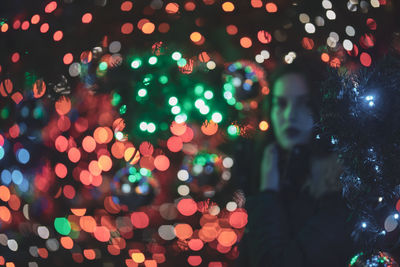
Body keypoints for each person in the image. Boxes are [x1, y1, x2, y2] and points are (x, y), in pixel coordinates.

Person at [235, 56, 357, 267]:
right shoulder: (273, 166)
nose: (290, 115)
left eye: (304, 104)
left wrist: (267, 195)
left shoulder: (341, 187)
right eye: (281, 104)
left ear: (322, 107)